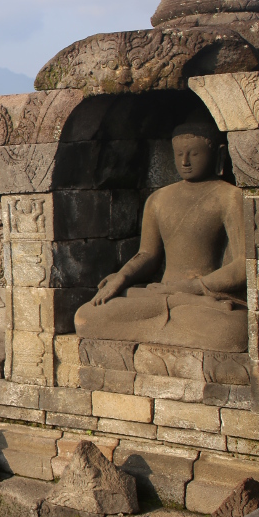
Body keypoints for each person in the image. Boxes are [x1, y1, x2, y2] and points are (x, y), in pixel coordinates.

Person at [73, 115, 247, 353]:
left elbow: (243, 265)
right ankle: (170, 317)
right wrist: (121, 278)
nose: (185, 161)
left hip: (204, 299)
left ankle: (171, 316)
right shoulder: (158, 199)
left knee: (232, 332)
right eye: (179, 154)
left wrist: (193, 288)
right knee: (87, 315)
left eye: (194, 154)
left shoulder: (230, 197)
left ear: (219, 154)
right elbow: (147, 254)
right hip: (160, 296)